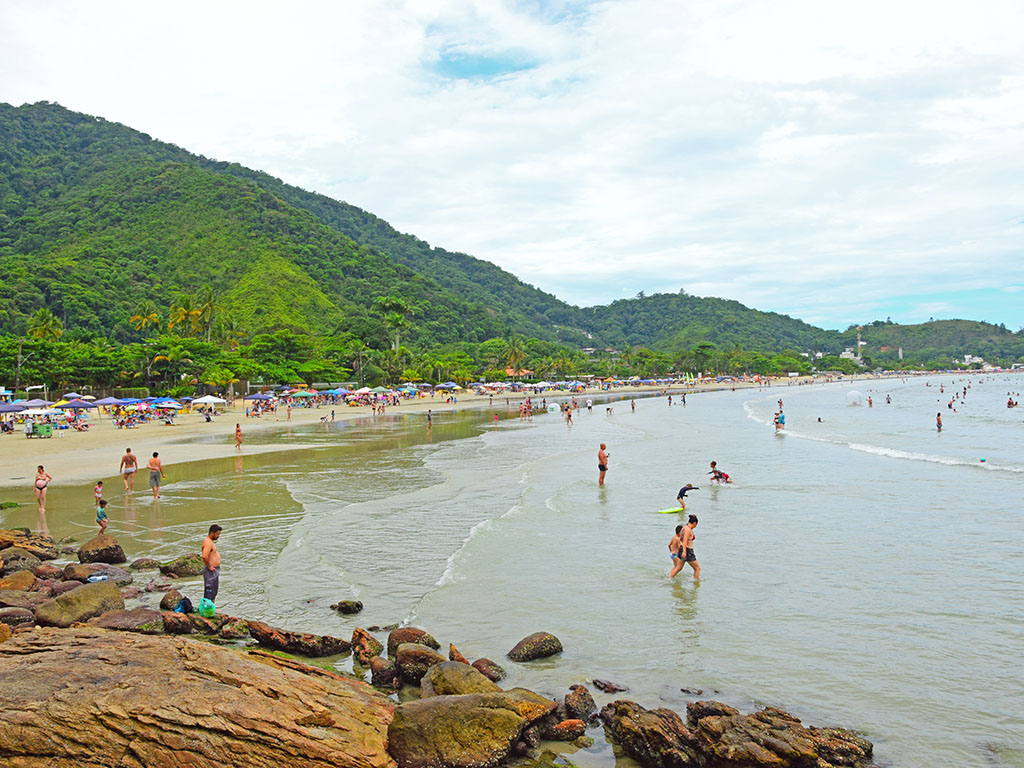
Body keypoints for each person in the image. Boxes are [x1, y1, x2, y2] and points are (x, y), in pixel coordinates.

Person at [202, 524, 222, 603]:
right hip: (211, 569)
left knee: (213, 589)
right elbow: (204, 556)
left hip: (213, 569)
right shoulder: (208, 542)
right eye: (217, 534)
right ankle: (207, 607)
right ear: (212, 533)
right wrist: (210, 566)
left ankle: (212, 607)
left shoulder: (209, 542)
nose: (218, 536)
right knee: (210, 589)